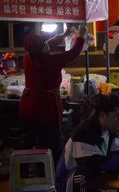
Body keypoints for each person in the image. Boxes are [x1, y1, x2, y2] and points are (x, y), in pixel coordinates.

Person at [20, 25, 87, 162]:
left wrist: (63, 35)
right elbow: (73, 53)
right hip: (45, 109)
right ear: (40, 50)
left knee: (29, 141)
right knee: (50, 144)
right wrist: (81, 36)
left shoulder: (28, 57)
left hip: (26, 107)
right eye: (43, 44)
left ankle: (25, 170)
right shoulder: (49, 61)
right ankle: (52, 173)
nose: (47, 44)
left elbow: (46, 45)